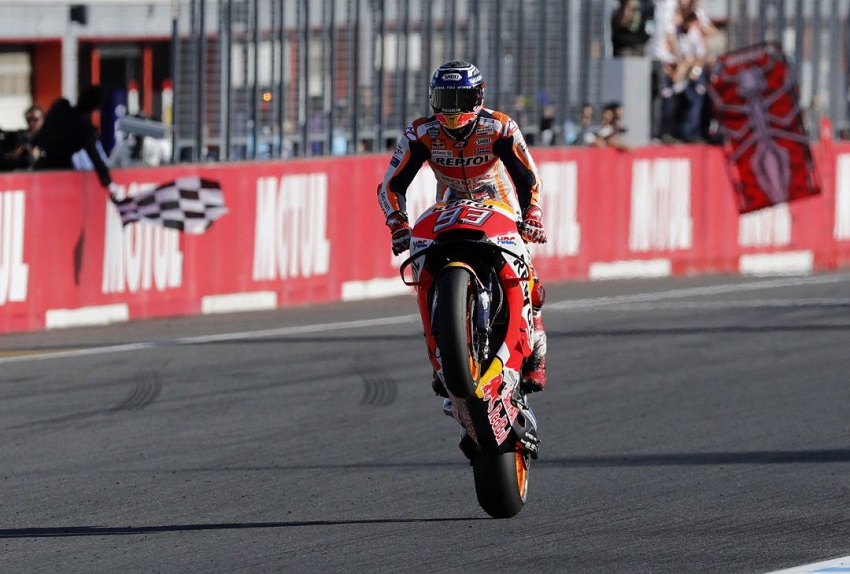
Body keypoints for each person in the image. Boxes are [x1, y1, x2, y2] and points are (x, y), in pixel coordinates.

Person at [376, 60, 549, 402]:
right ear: (432, 99)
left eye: (460, 97)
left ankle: (536, 342)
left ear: (478, 96)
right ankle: (443, 350)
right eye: (444, 98)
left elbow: (528, 176)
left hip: (497, 200)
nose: (452, 108)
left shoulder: (500, 127)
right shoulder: (421, 133)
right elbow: (391, 185)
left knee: (524, 265)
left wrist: (532, 213)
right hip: (449, 202)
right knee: (423, 263)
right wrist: (398, 223)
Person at [33, 85, 115, 191]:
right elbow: (95, 157)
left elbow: (39, 138)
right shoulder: (85, 129)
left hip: (43, 167)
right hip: (61, 172)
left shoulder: (60, 108)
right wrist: (108, 182)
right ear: (95, 106)